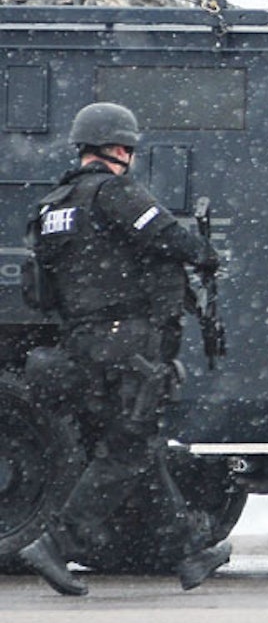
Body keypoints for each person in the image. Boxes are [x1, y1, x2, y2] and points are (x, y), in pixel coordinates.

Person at [18, 102, 229, 597]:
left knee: (139, 445)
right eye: (128, 150)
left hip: (84, 342)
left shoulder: (54, 206)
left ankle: (189, 551)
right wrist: (205, 254)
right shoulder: (113, 192)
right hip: (126, 342)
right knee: (128, 447)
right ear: (118, 149)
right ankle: (56, 542)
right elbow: (168, 237)